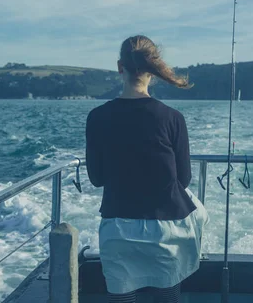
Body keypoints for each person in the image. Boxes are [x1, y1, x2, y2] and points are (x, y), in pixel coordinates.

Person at [85, 35, 209, 303]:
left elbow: (96, 179)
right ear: (153, 70)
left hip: (118, 228)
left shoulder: (97, 117)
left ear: (120, 67)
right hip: (166, 231)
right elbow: (183, 179)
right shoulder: (173, 118)